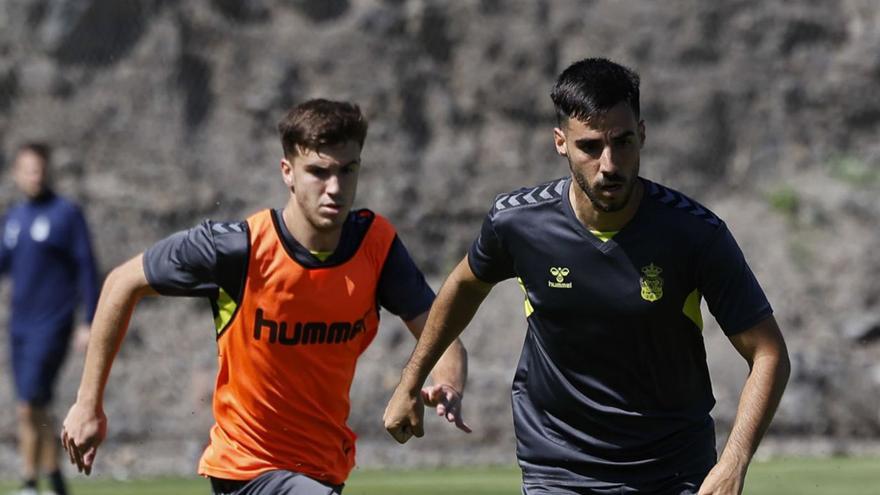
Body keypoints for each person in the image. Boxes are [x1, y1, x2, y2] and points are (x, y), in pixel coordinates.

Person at [384, 58, 791, 495]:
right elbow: (464, 286)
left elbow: (768, 354)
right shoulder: (517, 223)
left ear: (644, 134)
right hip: (559, 468)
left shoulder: (694, 234)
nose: (610, 163)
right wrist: (410, 381)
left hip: (673, 470)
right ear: (561, 143)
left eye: (623, 142)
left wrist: (733, 462)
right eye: (591, 147)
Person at [61, 99, 469, 495]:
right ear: (287, 172)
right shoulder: (239, 249)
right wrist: (87, 403)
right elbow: (119, 283)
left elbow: (441, 331)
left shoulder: (375, 246)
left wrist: (445, 385)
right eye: (319, 172)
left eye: (348, 171)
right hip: (247, 471)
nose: (336, 188)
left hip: (325, 468)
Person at [1, 142, 100, 495]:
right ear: (16, 173)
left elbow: (87, 268)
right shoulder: (13, 218)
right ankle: (55, 478)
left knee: (28, 405)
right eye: (28, 169)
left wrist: (88, 320)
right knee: (34, 404)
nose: (35, 175)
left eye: (40, 168)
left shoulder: (65, 214)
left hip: (53, 324)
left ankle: (29, 482)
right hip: (19, 328)